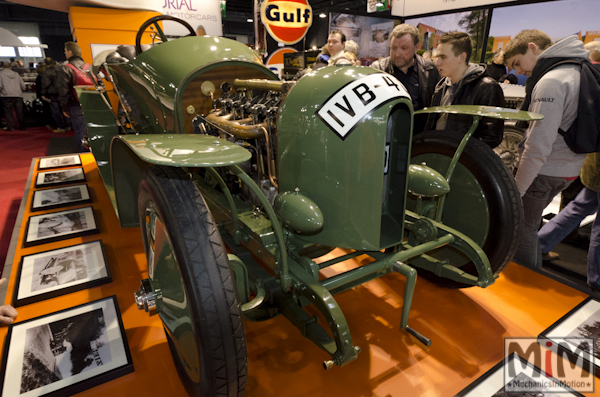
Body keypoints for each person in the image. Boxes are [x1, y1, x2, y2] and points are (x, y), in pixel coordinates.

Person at [503, 29, 589, 268]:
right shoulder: (576, 70)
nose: (518, 72)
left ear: (532, 48)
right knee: (531, 222)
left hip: (546, 169)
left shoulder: (551, 81)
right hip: (569, 167)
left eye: (517, 63)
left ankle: (526, 283)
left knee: (523, 229)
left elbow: (539, 144)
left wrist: (517, 189)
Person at [423, 32, 506, 148]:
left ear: (462, 57)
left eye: (443, 57)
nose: (437, 62)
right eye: (437, 57)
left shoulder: (488, 87)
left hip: (463, 161)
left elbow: (491, 137)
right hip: (438, 154)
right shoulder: (441, 85)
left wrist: (461, 153)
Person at [370, 23, 441, 134]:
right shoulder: (377, 70)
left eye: (404, 48)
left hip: (419, 138)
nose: (397, 54)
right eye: (394, 48)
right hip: (387, 136)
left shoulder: (430, 70)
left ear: (416, 47)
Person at [57, 41, 90, 152]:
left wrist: (64, 108)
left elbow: (63, 91)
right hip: (92, 103)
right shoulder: (89, 67)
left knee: (80, 130)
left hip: (76, 104)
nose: (65, 53)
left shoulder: (65, 68)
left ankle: (84, 156)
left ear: (70, 52)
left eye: (65, 51)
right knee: (93, 129)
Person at [42, 57, 69, 133]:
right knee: (64, 108)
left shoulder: (47, 71)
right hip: (62, 92)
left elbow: (45, 83)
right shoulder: (61, 69)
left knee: (56, 111)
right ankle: (68, 125)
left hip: (53, 93)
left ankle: (61, 126)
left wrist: (43, 93)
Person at [0, 61, 26, 131]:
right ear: (10, 67)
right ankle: (22, 126)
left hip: (6, 95)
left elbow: (0, 86)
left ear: (2, 67)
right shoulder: (16, 74)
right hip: (18, 94)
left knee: (7, 111)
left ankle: (10, 127)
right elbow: (23, 86)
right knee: (19, 111)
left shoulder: (1, 74)